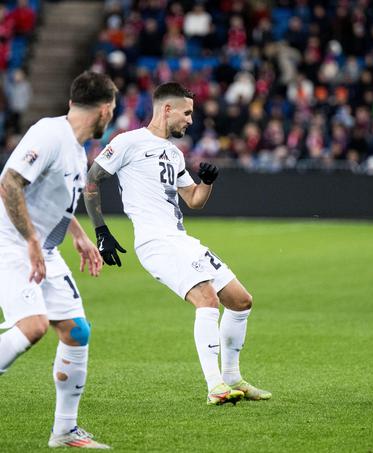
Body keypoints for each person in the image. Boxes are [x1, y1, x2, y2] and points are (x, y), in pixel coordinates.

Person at [83, 82, 271, 406]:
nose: (190, 120)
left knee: (241, 301)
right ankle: (215, 386)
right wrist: (101, 231)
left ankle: (232, 376)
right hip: (155, 241)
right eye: (187, 113)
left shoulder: (173, 153)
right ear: (166, 109)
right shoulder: (128, 142)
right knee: (207, 300)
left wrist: (207, 182)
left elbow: (194, 200)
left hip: (180, 239)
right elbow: (92, 178)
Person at [0, 71, 115, 448]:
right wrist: (32, 240)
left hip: (42, 249)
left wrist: (78, 234)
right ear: (105, 109)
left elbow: (53, 202)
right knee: (32, 327)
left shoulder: (77, 148)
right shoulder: (49, 134)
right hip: (12, 245)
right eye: (112, 109)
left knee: (77, 331)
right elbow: (10, 183)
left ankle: (64, 431)